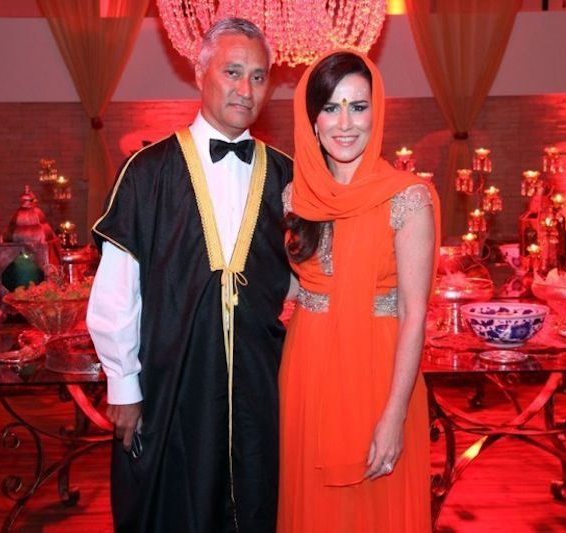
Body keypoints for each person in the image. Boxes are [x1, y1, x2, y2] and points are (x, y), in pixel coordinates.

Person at [86, 18, 292, 533]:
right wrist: (123, 386)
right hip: (171, 384)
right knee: (171, 508)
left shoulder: (289, 176)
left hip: (263, 388)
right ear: (200, 73)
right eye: (232, 72)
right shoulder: (147, 172)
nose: (246, 90)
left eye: (259, 77)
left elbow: (304, 280)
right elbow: (116, 290)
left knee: (261, 501)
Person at [278, 50, 438, 532]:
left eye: (358, 106)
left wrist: (394, 415)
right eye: (331, 107)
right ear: (312, 119)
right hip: (306, 371)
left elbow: (414, 313)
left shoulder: (408, 198)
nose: (345, 123)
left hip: (380, 372)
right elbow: (291, 287)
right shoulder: (295, 197)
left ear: (377, 111)